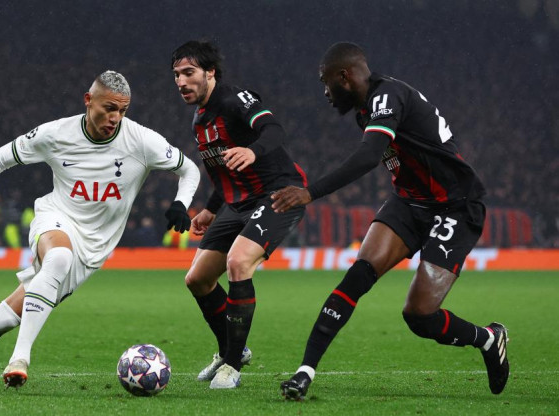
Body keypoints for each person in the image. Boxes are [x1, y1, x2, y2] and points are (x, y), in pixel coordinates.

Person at [0, 70, 200, 391]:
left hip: (93, 249)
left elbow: (189, 169)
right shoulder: (56, 134)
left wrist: (182, 202)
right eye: (109, 108)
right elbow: (1, 158)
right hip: (55, 218)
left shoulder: (141, 140)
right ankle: (20, 359)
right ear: (88, 100)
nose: (115, 117)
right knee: (57, 258)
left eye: (122, 111)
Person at [271, 42, 509, 400]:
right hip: (409, 203)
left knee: (419, 316)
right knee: (358, 275)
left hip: (455, 206)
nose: (324, 92)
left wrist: (311, 191)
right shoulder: (365, 110)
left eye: (325, 82)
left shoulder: (388, 96)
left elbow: (369, 155)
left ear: (344, 76)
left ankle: (488, 338)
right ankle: (305, 372)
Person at [171, 40, 308, 389]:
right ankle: (232, 349)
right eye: (176, 75)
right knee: (197, 279)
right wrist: (210, 210)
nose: (182, 81)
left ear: (210, 72)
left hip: (279, 194)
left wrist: (252, 149)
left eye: (189, 73)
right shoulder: (199, 121)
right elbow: (225, 173)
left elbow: (274, 130)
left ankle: (231, 366)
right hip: (239, 202)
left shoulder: (235, 100)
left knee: (238, 262)